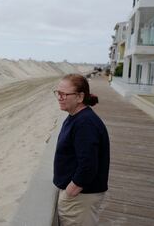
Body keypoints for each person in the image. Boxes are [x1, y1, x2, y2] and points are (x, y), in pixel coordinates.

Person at [53, 74, 110, 226]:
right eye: (58, 93)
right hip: (79, 197)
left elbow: (88, 166)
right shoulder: (76, 117)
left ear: (80, 97)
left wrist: (70, 192)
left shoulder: (85, 124)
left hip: (81, 198)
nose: (59, 97)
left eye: (64, 94)